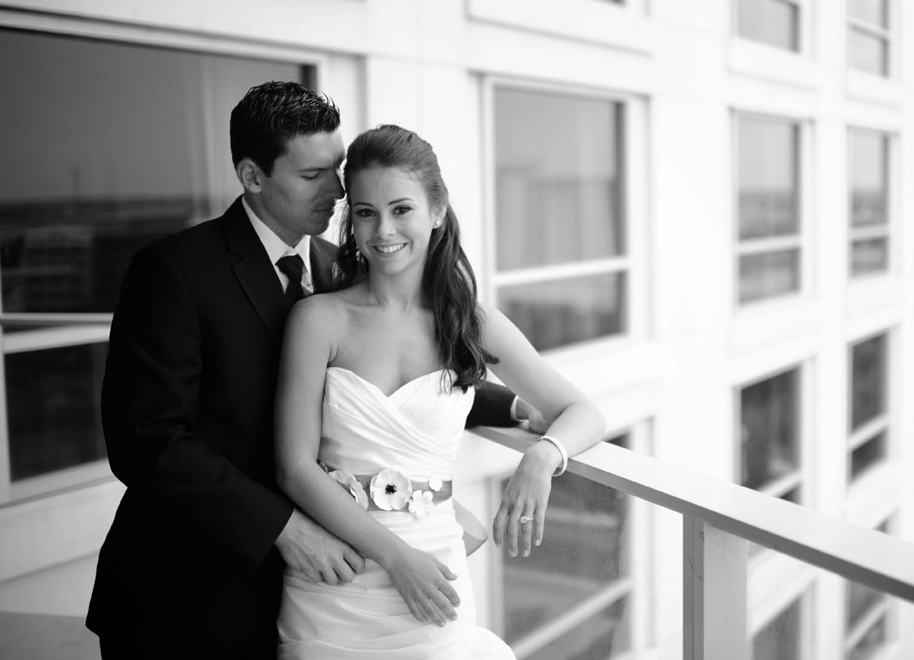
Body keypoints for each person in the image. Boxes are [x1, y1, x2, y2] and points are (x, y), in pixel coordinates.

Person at [87, 82, 534, 660]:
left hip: (312, 592)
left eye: (338, 170)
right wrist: (283, 527)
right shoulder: (173, 272)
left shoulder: (334, 265)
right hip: (189, 590)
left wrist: (510, 407)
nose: (338, 191)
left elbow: (373, 383)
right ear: (252, 176)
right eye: (311, 175)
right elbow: (145, 441)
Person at [274, 124, 605, 658]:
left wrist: (543, 457)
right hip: (336, 578)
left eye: (401, 209)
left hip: (434, 582)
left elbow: (582, 411)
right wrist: (396, 559)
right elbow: (293, 467)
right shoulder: (318, 320)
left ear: (438, 210)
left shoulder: (472, 322)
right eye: (365, 212)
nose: (383, 230)